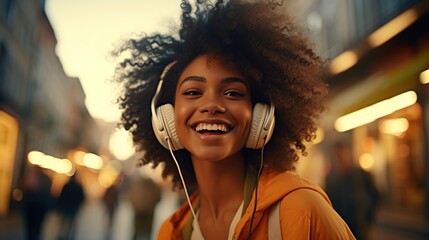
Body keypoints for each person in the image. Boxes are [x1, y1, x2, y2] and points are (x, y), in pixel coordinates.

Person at [113, 0, 355, 239]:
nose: (211, 105)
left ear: (262, 116)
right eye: (193, 92)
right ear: (165, 118)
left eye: (233, 93)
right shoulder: (171, 233)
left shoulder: (301, 210)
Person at [325, 142, 379, 240]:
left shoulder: (361, 174)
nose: (340, 158)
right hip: (340, 226)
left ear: (348, 154)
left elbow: (375, 195)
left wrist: (368, 215)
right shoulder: (331, 179)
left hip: (359, 224)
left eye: (342, 154)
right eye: (337, 155)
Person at [21, 164, 54, 240]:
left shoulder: (35, 177)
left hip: (36, 207)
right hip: (36, 207)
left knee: (32, 227)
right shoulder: (44, 178)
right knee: (35, 228)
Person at [56, 173, 85, 240]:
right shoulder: (78, 186)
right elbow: (82, 198)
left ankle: (61, 236)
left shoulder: (67, 185)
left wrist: (59, 206)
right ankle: (68, 236)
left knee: (63, 223)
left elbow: (61, 196)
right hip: (73, 208)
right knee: (70, 224)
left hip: (66, 207)